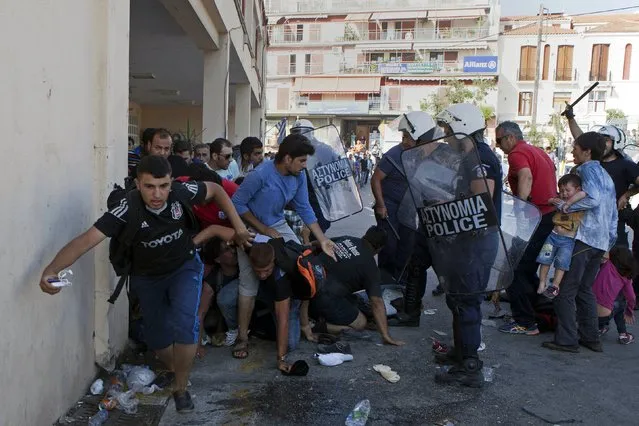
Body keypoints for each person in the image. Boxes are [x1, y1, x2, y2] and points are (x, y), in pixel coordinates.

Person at [38, 155, 252, 413]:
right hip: (147, 278)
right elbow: (86, 240)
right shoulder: (126, 208)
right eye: (150, 186)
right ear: (138, 184)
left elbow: (216, 189)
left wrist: (238, 225)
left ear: (171, 183)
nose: (157, 193)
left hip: (184, 267)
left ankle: (181, 388)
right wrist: (51, 270)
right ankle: (175, 368)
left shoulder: (182, 192)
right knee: (159, 340)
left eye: (163, 186)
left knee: (185, 325)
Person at [231, 133, 336, 359]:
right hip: (250, 228)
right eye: (302, 161)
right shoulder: (260, 174)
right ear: (287, 158)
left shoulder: (298, 176)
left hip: (278, 225)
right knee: (249, 282)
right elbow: (237, 203)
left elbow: (305, 208)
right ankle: (242, 337)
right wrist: (262, 228)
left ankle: (299, 320)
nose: (304, 166)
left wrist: (322, 239)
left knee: (302, 265)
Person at [426, 103, 502, 388]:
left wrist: (450, 205)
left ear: (462, 129)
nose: (445, 136)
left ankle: (470, 366)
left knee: (468, 301)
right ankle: (461, 354)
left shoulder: (480, 157)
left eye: (448, 130)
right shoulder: (469, 157)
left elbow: (481, 201)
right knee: (457, 299)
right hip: (466, 241)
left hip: (477, 241)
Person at [542, 132, 617, 354]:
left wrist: (563, 206)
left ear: (587, 151)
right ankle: (591, 338)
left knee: (565, 289)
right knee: (585, 290)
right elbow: (613, 213)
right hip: (600, 241)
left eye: (575, 147)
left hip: (583, 238)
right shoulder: (605, 175)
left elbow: (592, 200)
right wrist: (608, 244)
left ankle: (567, 340)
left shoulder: (587, 170)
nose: (572, 151)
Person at [495, 121, 557, 336]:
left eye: (499, 140)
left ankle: (525, 321)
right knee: (526, 267)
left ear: (510, 137)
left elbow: (526, 176)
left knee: (514, 269)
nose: (499, 145)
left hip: (535, 216)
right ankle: (535, 311)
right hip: (546, 215)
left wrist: (522, 207)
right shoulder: (536, 150)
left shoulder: (517, 153)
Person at [371, 111, 437, 282]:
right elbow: (376, 178)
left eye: (409, 137)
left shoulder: (423, 153)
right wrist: (380, 204)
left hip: (409, 209)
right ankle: (384, 283)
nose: (405, 141)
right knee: (389, 247)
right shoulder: (394, 154)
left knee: (407, 248)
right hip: (389, 207)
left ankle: (399, 283)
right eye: (404, 136)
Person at [565, 106, 639, 248]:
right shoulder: (592, 163)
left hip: (612, 224)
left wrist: (626, 195)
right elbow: (581, 139)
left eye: (606, 140)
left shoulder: (626, 165)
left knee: (617, 265)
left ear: (616, 142)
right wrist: (571, 118)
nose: (602, 143)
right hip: (585, 223)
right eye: (600, 140)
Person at [536, 174, 586, 299]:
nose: (564, 193)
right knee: (544, 259)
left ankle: (555, 285)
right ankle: (542, 282)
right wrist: (553, 200)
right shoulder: (560, 199)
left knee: (562, 263)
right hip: (553, 236)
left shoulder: (580, 201)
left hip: (568, 240)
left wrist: (568, 203)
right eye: (561, 190)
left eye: (567, 190)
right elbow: (549, 200)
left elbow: (583, 194)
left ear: (577, 189)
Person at [594, 247, 636, 345]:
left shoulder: (606, 264)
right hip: (604, 314)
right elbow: (632, 297)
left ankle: (600, 328)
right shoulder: (626, 277)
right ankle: (623, 334)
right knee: (621, 304)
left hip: (589, 310)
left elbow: (604, 254)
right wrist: (629, 311)